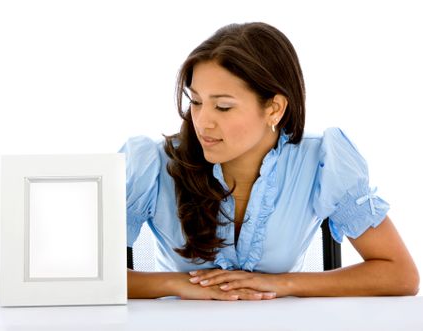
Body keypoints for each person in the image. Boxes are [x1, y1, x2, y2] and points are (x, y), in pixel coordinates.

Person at [121, 22, 419, 300]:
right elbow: (84, 278)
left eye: (223, 107)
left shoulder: (321, 161)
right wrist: (176, 285)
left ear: (274, 108)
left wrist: (283, 283)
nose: (202, 122)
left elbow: (401, 274)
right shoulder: (152, 165)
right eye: (196, 101)